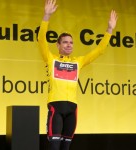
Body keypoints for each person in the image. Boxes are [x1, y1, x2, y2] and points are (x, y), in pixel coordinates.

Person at [38, 0, 118, 150]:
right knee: (54, 147)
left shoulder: (78, 61)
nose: (69, 45)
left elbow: (99, 50)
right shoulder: (51, 59)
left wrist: (109, 30)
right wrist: (46, 16)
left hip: (72, 109)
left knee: (66, 147)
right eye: (65, 42)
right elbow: (41, 39)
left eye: (71, 43)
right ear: (58, 45)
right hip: (56, 106)